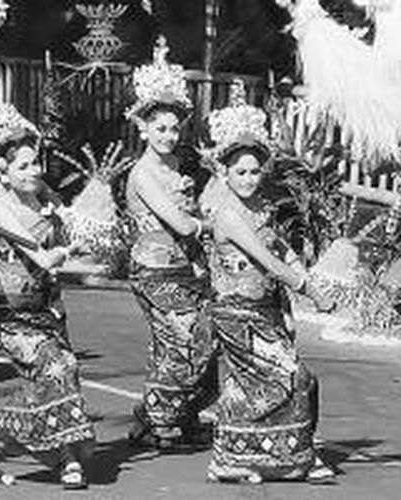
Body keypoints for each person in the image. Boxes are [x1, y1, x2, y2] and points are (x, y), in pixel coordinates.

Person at [202, 81, 335, 483]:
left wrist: (308, 272)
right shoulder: (227, 215)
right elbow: (269, 263)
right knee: (292, 377)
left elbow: (281, 249)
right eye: (239, 172)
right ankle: (269, 456)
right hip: (236, 314)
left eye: (255, 171)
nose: (248, 179)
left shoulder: (262, 208)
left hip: (266, 310)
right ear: (223, 172)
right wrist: (309, 289)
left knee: (272, 383)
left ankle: (250, 456)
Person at [0, 128, 95, 489]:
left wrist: (88, 224)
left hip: (47, 309)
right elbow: (43, 258)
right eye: (22, 166)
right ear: (4, 172)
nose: (32, 171)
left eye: (35, 162)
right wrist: (68, 249)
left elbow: (75, 239)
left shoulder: (46, 199)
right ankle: (66, 461)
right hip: (8, 314)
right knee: (58, 366)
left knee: (51, 381)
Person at [124, 36, 218, 449]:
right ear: (143, 128)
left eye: (174, 127)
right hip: (154, 271)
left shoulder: (183, 166)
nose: (168, 134)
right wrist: (213, 225)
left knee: (205, 339)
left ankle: (177, 414)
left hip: (186, 268)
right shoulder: (143, 174)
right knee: (183, 340)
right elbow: (181, 224)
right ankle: (157, 421)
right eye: (159, 128)